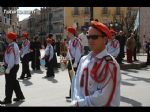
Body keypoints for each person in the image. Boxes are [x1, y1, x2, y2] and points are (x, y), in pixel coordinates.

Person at [71, 21, 121, 106]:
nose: (90, 40)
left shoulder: (111, 65)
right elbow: (76, 86)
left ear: (105, 39)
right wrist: (76, 101)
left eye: (94, 37)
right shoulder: (83, 60)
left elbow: (103, 98)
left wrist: (79, 104)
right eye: (88, 37)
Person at [0, 32, 25, 104]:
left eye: (7, 37)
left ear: (11, 38)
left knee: (9, 83)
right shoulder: (12, 45)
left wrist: (8, 68)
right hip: (12, 66)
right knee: (14, 82)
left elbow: (11, 58)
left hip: (11, 67)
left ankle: (7, 99)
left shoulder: (12, 46)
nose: (6, 38)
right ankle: (20, 96)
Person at [66, 27, 83, 99]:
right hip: (70, 61)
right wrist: (67, 58)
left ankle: (74, 93)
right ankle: (72, 93)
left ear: (72, 33)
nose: (67, 34)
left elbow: (78, 52)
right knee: (72, 78)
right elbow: (69, 51)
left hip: (75, 61)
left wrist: (76, 62)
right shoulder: (70, 41)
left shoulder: (77, 41)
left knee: (74, 78)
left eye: (68, 33)